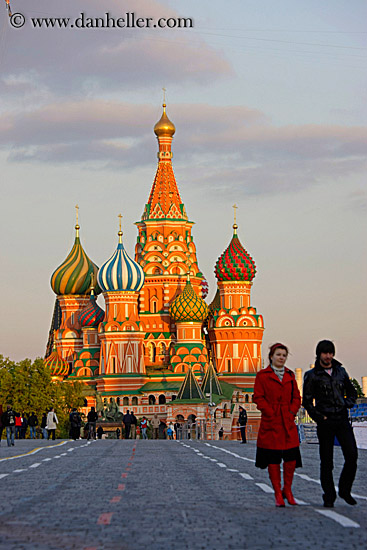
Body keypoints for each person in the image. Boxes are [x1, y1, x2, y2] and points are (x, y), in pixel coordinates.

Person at [303, 340, 358, 508]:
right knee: (327, 461)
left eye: (330, 353)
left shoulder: (340, 372)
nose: (328, 356)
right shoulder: (312, 375)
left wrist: (346, 404)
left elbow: (352, 392)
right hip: (325, 421)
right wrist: (319, 417)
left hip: (341, 419)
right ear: (319, 354)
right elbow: (306, 401)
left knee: (352, 455)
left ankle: (344, 490)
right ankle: (329, 495)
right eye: (325, 353)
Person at [253, 343, 302, 507]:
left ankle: (287, 490)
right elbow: (258, 397)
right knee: (273, 459)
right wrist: (269, 411)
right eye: (278, 355)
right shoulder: (262, 375)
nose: (281, 357)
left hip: (287, 422)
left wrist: (291, 412)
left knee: (291, 458)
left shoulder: (290, 375)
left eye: (284, 355)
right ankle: (277, 493)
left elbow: (296, 397)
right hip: (271, 422)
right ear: (271, 357)